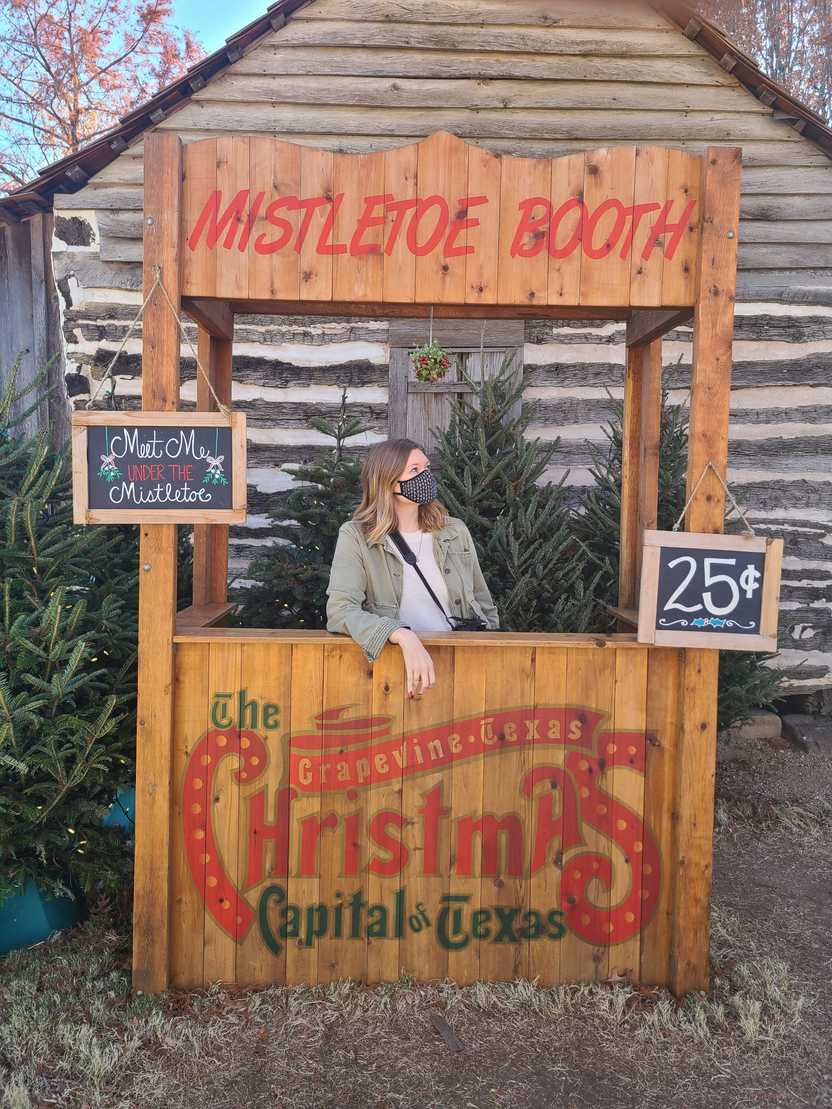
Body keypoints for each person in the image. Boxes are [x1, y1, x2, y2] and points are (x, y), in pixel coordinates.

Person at [326, 438, 499, 698]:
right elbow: (340, 611)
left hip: (462, 666)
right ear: (387, 481)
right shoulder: (357, 536)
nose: (426, 477)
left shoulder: (454, 531)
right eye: (414, 471)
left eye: (426, 468)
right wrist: (401, 635)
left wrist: (491, 653)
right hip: (394, 671)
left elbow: (483, 600)